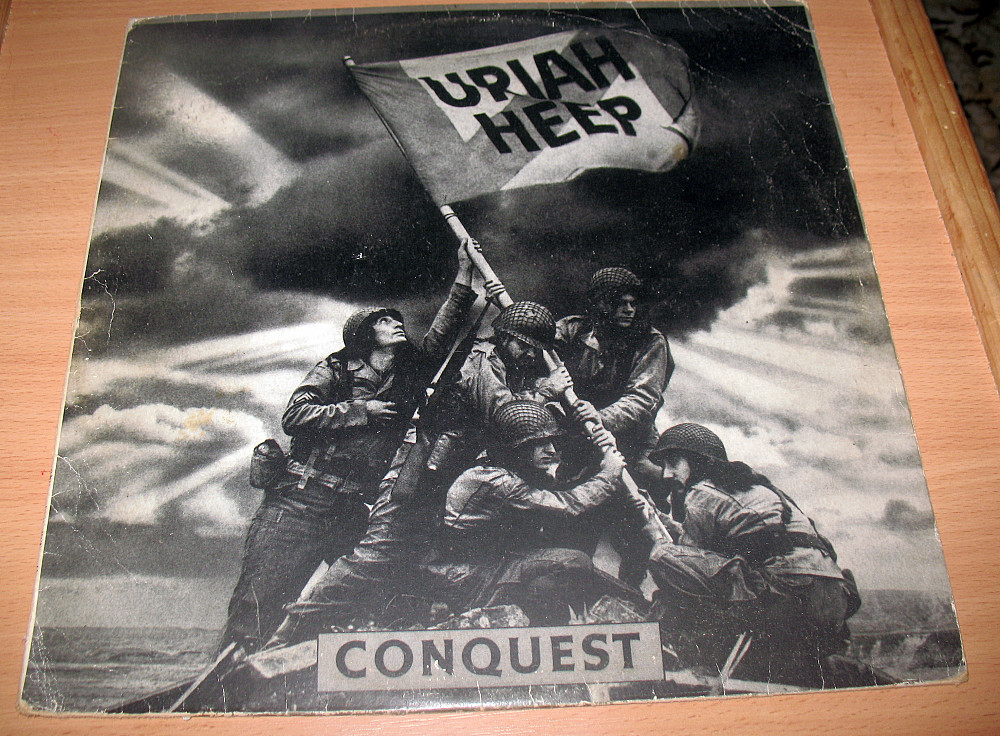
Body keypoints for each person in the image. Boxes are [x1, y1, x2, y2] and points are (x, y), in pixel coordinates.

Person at [220, 240, 482, 652]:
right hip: (299, 502)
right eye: (384, 321)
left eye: (396, 320)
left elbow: (442, 334)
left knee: (383, 592)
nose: (395, 324)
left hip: (353, 508)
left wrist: (465, 273)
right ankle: (228, 679)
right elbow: (296, 415)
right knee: (257, 606)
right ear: (364, 334)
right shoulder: (337, 367)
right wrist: (362, 411)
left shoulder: (409, 374)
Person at [263, 301, 575, 646]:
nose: (530, 355)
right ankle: (288, 635)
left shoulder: (505, 367)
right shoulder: (483, 363)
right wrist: (547, 391)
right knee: (375, 556)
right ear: (503, 337)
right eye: (524, 346)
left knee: (421, 561)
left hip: (443, 477)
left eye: (536, 350)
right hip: (419, 473)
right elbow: (506, 416)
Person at [645, 423, 861, 687]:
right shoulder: (760, 489)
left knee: (664, 557)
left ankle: (694, 650)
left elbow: (689, 558)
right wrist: (668, 523)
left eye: (673, 463)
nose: (667, 473)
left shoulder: (702, 493)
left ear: (698, 460)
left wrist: (655, 533)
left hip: (788, 598)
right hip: (833, 601)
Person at [434, 399, 626, 625]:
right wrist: (609, 474)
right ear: (519, 447)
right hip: (472, 580)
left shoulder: (503, 468)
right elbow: (567, 504)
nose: (551, 450)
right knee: (575, 562)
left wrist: (600, 449)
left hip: (493, 568)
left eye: (551, 443)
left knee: (585, 567)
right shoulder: (497, 481)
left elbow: (561, 489)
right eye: (540, 444)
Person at [554, 267, 673, 586]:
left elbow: (642, 397)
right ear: (600, 304)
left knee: (639, 528)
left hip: (631, 443)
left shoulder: (650, 342)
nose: (629, 310)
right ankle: (572, 590)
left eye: (633, 303)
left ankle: (632, 592)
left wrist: (600, 418)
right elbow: (539, 347)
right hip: (579, 442)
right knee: (573, 525)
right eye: (619, 303)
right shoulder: (572, 330)